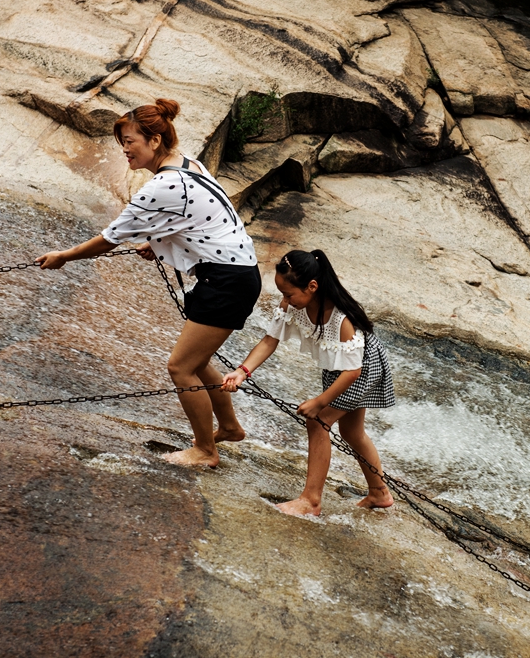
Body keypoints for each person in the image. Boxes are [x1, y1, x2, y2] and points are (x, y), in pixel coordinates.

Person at [36, 98, 260, 467]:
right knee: (198, 362)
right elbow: (206, 217)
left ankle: (205, 451)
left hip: (226, 280)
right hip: (236, 272)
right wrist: (158, 242)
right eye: (121, 142)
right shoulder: (188, 163)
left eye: (130, 141)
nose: (124, 149)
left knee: (181, 368)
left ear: (154, 141)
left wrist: (64, 256)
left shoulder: (161, 186)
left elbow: (110, 238)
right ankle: (231, 428)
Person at [221, 249, 395, 515]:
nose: (285, 300)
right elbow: (270, 340)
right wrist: (242, 371)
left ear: (312, 286)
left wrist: (319, 402)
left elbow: (353, 372)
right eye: (282, 293)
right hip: (338, 368)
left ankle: (311, 500)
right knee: (351, 432)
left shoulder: (341, 319)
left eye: (289, 294)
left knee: (318, 419)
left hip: (361, 368)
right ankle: (379, 493)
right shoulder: (292, 305)